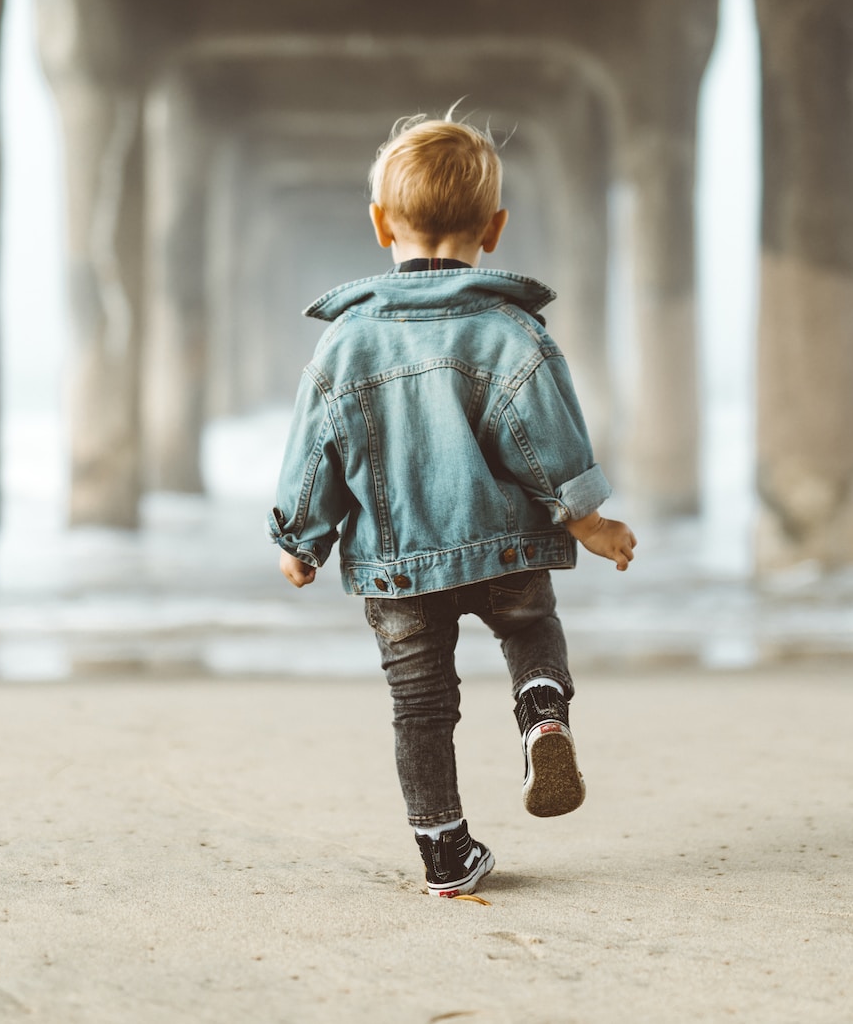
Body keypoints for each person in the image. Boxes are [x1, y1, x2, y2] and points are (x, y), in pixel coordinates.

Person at [267, 112, 637, 898]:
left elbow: (316, 451)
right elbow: (550, 442)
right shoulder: (512, 332)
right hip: (508, 547)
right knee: (531, 628)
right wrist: (587, 520)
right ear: (494, 229)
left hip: (398, 567)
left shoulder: (345, 344)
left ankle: (445, 851)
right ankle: (542, 714)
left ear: (378, 224)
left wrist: (301, 539)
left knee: (421, 706)